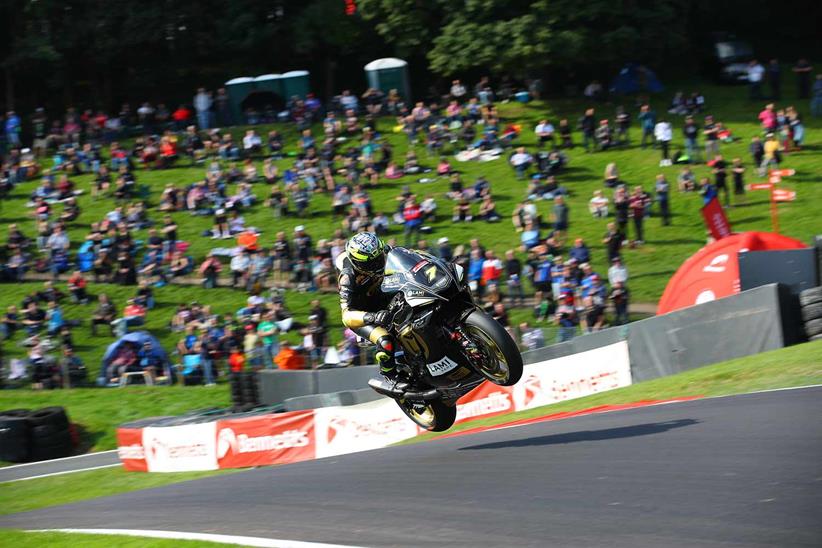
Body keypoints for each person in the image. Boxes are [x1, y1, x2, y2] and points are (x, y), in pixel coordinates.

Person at [335, 232, 397, 379]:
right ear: (358, 263)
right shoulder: (347, 277)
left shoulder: (380, 250)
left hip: (379, 294)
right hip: (362, 315)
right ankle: (392, 377)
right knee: (385, 341)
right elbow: (346, 315)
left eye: (379, 258)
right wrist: (372, 317)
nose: (379, 263)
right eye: (372, 263)